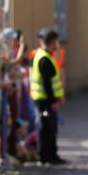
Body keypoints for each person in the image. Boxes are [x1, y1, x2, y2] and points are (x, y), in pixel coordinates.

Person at [29, 27, 67, 165]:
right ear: (51, 42)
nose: (58, 44)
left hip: (46, 99)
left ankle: (51, 154)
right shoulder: (44, 58)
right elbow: (47, 83)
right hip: (45, 100)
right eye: (56, 41)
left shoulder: (45, 55)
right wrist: (53, 102)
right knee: (47, 128)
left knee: (51, 127)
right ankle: (45, 156)